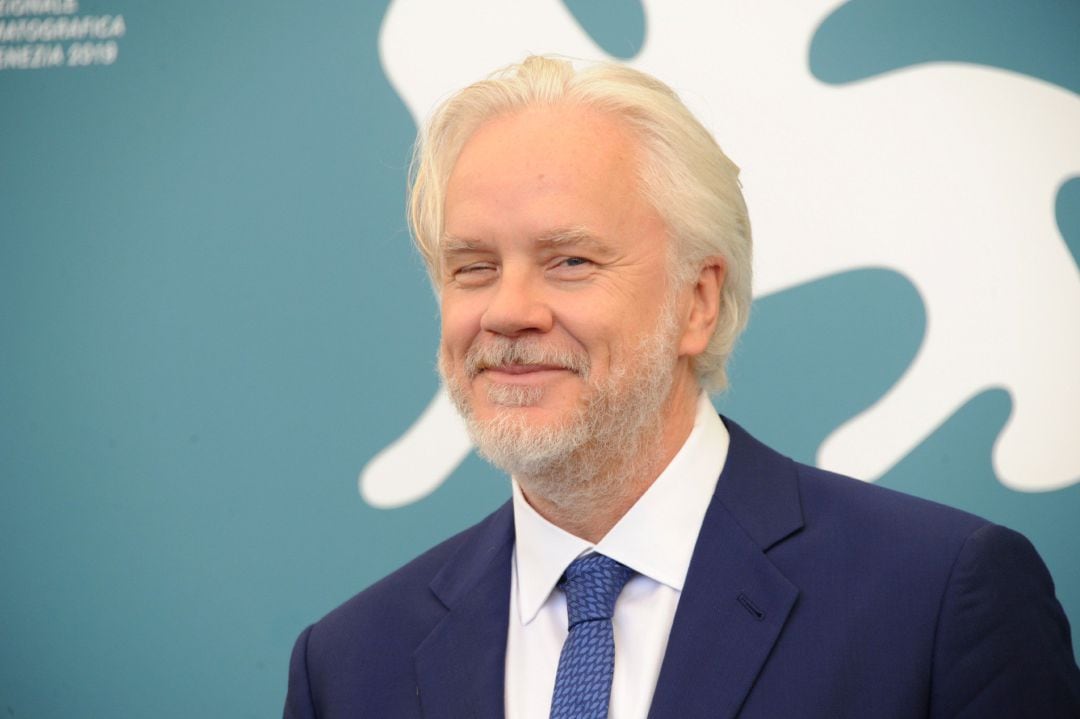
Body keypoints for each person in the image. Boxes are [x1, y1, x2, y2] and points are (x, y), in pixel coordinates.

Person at [284, 56, 1080, 718]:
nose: (508, 311)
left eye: (570, 260)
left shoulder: (938, 597)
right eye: (473, 268)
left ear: (696, 301)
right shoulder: (351, 664)